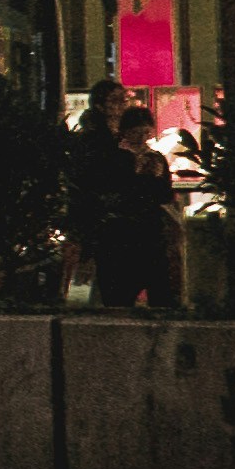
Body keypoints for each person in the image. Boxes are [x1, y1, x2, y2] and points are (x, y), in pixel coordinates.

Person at [67, 89, 178, 311]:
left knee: (158, 292)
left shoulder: (155, 158)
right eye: (136, 130)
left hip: (147, 233)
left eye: (145, 129)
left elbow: (164, 192)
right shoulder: (110, 157)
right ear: (125, 132)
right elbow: (108, 189)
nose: (141, 135)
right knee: (119, 294)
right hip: (119, 234)